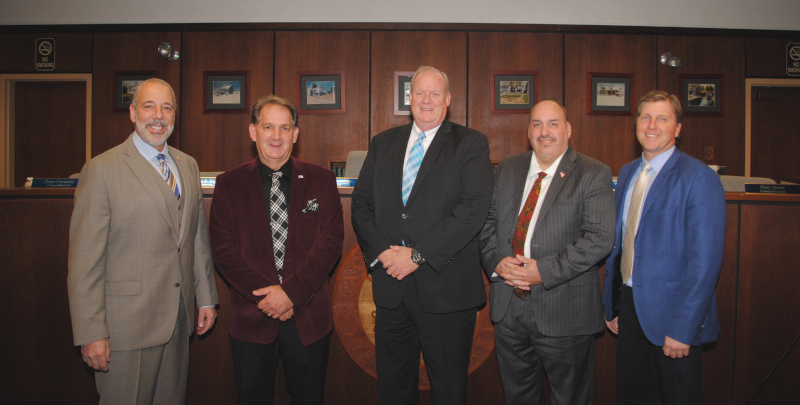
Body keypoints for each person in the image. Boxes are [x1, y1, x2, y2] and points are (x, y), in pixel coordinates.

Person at [67, 78, 219, 404]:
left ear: (175, 115)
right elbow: (85, 263)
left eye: (166, 107)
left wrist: (206, 297)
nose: (158, 115)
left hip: (178, 323)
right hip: (125, 328)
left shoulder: (187, 165)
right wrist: (92, 333)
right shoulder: (101, 170)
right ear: (133, 113)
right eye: (149, 106)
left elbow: (195, 239)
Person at [351, 66, 494, 405]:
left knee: (447, 390)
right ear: (409, 98)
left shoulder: (470, 144)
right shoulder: (383, 143)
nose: (426, 100)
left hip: (445, 291)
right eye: (420, 93)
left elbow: (471, 211)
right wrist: (383, 252)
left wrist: (416, 255)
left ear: (447, 100)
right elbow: (361, 204)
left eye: (434, 93)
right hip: (391, 288)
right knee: (394, 388)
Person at [209, 95, 343, 405]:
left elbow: (330, 243)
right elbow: (223, 249)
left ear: (296, 135)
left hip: (307, 317)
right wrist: (270, 297)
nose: (276, 136)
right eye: (268, 126)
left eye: (285, 128)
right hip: (252, 317)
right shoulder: (228, 184)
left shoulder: (321, 180)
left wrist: (290, 294)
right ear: (252, 131)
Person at [479, 99, 615, 404]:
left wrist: (544, 271)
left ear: (568, 129)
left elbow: (599, 239)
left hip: (565, 311)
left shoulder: (593, 173)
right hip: (509, 309)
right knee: (518, 396)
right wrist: (497, 263)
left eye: (553, 123)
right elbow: (486, 223)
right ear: (528, 130)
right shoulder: (508, 168)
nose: (545, 132)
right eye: (537, 124)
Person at [602, 90, 726, 404]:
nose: (652, 125)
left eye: (662, 118)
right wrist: (613, 303)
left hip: (674, 316)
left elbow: (705, 263)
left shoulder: (698, 178)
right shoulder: (628, 172)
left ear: (678, 128)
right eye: (645, 117)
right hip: (629, 309)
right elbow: (620, 244)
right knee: (632, 396)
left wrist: (684, 328)